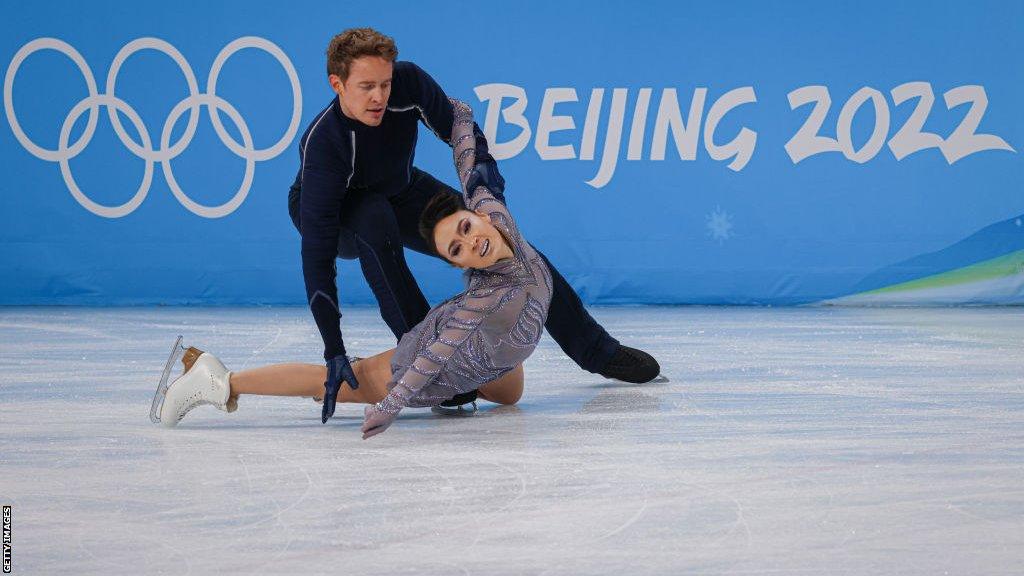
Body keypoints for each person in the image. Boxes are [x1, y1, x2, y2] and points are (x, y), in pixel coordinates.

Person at [288, 28, 659, 422]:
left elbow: (458, 128)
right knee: (372, 215)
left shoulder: (408, 82)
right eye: (366, 87)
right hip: (344, 216)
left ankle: (596, 349)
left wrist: (483, 181)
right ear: (337, 83)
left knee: (508, 244)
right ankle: (424, 358)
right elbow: (317, 256)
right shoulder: (325, 148)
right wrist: (334, 349)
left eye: (385, 83)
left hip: (401, 188)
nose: (379, 96)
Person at [157, 98, 550, 439]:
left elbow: (470, 160)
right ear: (458, 263)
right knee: (346, 381)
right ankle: (218, 380)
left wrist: (458, 115)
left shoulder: (492, 210)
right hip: (436, 359)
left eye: (466, 229)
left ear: (476, 215)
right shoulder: (483, 301)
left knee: (511, 393)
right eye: (457, 249)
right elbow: (434, 355)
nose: (472, 242)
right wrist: (391, 404)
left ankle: (420, 372)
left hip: (487, 356)